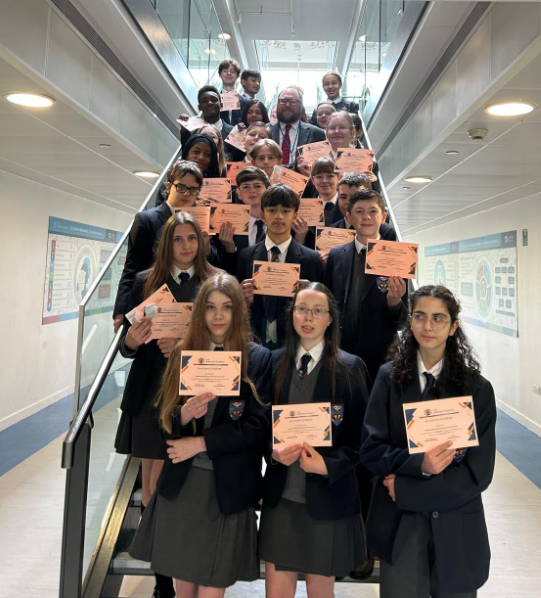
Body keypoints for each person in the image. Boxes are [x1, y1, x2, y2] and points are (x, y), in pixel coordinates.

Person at [130, 273, 272, 597]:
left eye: (226, 307)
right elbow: (162, 421)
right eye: (209, 307)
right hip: (184, 486)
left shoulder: (258, 359)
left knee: (211, 591)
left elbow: (257, 426)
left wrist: (200, 442)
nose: (218, 316)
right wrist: (183, 415)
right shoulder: (184, 352)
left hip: (226, 488)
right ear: (200, 312)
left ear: (239, 311)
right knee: (185, 591)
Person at [360, 285, 497, 598]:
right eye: (420, 317)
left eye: (439, 318)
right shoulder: (387, 378)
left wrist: (408, 489)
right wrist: (417, 463)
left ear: (453, 327)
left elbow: (478, 474)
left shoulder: (476, 390)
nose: (428, 326)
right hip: (401, 528)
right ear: (410, 322)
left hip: (456, 527)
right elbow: (371, 449)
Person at [115, 212, 219, 598]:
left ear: (201, 242)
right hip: (149, 396)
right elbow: (125, 348)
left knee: (187, 487)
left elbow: (226, 340)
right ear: (166, 244)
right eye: (178, 239)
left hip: (194, 396)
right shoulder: (145, 282)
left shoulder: (214, 283)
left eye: (192, 238)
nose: (186, 246)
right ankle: (162, 581)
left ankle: (188, 564)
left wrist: (184, 348)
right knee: (152, 488)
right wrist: (133, 341)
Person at [259, 282, 369, 597]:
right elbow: (260, 426)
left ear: (330, 318)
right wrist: (272, 452)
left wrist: (328, 465)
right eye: (302, 309)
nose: (309, 317)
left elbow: (364, 440)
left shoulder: (350, 368)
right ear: (292, 315)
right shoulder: (273, 363)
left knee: (320, 593)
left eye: (318, 311)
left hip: (328, 501)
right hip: (283, 500)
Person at [113, 161, 211, 331]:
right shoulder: (146, 220)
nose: (187, 193)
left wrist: (207, 246)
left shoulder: (201, 222)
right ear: (169, 186)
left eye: (193, 189)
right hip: (154, 301)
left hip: (190, 299)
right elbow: (132, 267)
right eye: (181, 187)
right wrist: (121, 310)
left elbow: (209, 263)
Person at [324, 187, 407, 383]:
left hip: (381, 355)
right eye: (359, 211)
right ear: (349, 217)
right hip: (340, 352)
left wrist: (395, 302)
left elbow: (402, 321)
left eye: (373, 211)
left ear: (383, 216)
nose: (366, 217)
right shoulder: (336, 255)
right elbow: (328, 303)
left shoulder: (399, 257)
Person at [238, 184, 322, 348]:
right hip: (254, 341)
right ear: (262, 215)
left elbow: (321, 309)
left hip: (294, 341)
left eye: (285, 211)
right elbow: (239, 307)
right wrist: (242, 299)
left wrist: (309, 297)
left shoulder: (311, 258)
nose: (278, 216)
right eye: (271, 210)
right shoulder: (245, 256)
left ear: (295, 216)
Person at [216, 166, 271, 275]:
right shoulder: (231, 225)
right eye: (246, 187)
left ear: (268, 190)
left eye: (257, 186)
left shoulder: (280, 221)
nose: (252, 190)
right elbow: (228, 269)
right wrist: (229, 247)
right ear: (239, 194)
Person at [268, 87, 326, 169]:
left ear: (301, 106)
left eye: (293, 101)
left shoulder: (316, 133)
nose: (287, 105)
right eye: (283, 101)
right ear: (277, 104)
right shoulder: (265, 130)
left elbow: (322, 167)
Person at [331, 173, 396, 240]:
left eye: (355, 197)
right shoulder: (328, 232)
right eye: (343, 197)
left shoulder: (386, 232)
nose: (348, 202)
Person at [218, 58, 242, 126]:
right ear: (220, 74)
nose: (229, 73)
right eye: (225, 71)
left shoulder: (245, 102)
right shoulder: (214, 100)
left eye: (232, 71)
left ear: (237, 76)